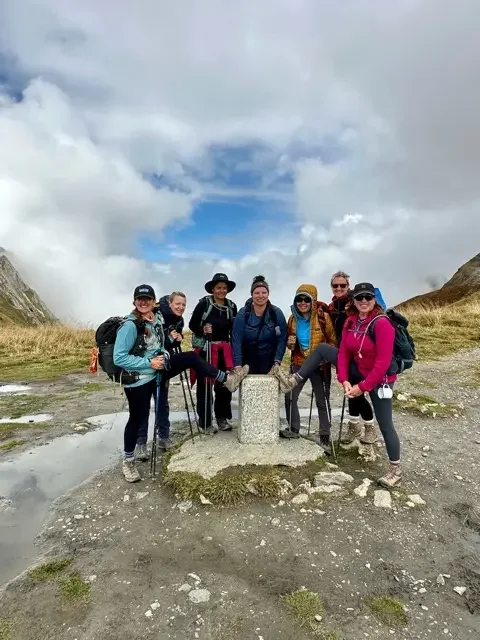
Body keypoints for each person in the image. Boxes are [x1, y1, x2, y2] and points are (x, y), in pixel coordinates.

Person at [114, 284, 249, 482]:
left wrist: (170, 340)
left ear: (154, 302)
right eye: (140, 299)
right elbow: (119, 358)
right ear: (134, 301)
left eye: (147, 299)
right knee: (137, 418)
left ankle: (227, 379)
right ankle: (128, 461)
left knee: (191, 358)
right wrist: (148, 362)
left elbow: (158, 346)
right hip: (138, 378)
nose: (144, 303)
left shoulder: (156, 319)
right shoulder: (129, 325)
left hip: (158, 370)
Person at [273, 282, 402, 488]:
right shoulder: (351, 321)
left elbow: (383, 362)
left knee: (386, 424)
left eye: (368, 297)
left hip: (380, 380)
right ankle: (295, 379)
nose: (363, 301)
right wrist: (344, 379)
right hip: (356, 370)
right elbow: (343, 353)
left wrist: (362, 387)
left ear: (374, 300)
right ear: (353, 301)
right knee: (323, 349)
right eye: (359, 298)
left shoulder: (382, 324)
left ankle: (395, 470)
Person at [281, 284, 337, 452]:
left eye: (307, 299)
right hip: (299, 362)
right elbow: (291, 346)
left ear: (313, 300)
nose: (303, 302)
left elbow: (333, 341)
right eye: (299, 299)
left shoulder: (323, 317)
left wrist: (324, 357)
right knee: (290, 396)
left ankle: (325, 437)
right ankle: (294, 429)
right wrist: (289, 344)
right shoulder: (292, 319)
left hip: (320, 366)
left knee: (322, 401)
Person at [134, 291, 187, 460]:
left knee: (161, 402)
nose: (180, 307)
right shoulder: (155, 315)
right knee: (142, 405)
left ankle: (163, 437)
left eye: (183, 305)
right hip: (145, 367)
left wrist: (178, 338)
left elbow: (169, 345)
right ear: (170, 304)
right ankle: (140, 443)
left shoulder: (179, 320)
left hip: (163, 366)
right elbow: (153, 342)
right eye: (177, 304)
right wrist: (170, 340)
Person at [328, 270, 376, 445]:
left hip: (358, 353)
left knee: (356, 392)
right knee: (351, 392)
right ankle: (354, 425)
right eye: (335, 285)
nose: (339, 288)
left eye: (343, 285)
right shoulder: (332, 307)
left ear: (348, 286)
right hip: (344, 353)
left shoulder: (356, 303)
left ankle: (369, 428)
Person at [189, 273, 238, 433]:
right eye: (218, 287)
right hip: (206, 350)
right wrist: (202, 330)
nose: (221, 290)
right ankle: (205, 422)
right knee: (205, 386)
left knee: (223, 386)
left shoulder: (232, 306)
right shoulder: (204, 304)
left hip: (224, 352)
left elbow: (234, 330)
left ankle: (221, 418)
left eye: (224, 288)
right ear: (212, 289)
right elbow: (192, 324)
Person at [232, 275, 287, 374]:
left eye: (264, 292)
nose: (260, 296)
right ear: (252, 295)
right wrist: (238, 365)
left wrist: (277, 363)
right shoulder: (243, 313)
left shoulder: (276, 313)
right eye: (257, 293)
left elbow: (282, 339)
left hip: (269, 359)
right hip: (247, 361)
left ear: (268, 294)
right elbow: (236, 340)